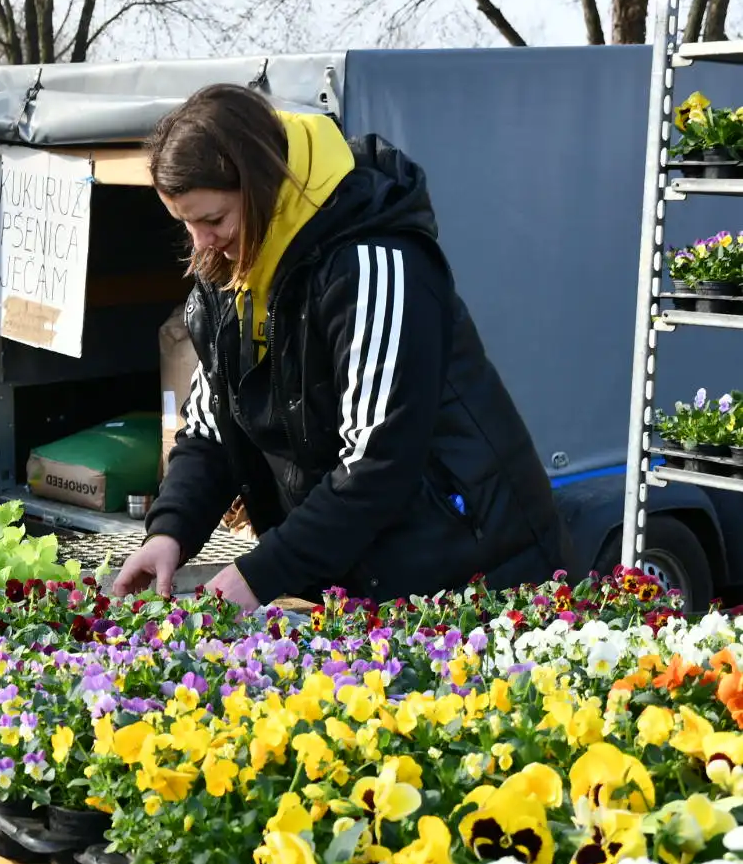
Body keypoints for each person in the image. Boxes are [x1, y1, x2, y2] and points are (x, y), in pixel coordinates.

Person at [112, 84, 567, 606]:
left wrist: (263, 573)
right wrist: (170, 531)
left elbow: (379, 461)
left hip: (472, 576)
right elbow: (212, 428)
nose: (200, 243)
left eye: (213, 220)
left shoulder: (374, 264)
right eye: (186, 224)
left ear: (263, 186)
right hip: (357, 576)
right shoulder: (229, 273)